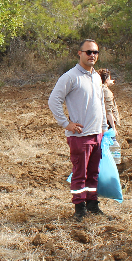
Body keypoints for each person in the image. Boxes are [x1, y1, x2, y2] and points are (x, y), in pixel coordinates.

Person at [49, 39, 106, 222]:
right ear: (79, 53)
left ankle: (92, 204)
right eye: (88, 52)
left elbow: (101, 103)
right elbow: (53, 101)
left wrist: (104, 128)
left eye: (95, 52)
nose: (92, 55)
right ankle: (79, 208)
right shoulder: (70, 77)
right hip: (80, 136)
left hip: (97, 134)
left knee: (94, 172)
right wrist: (66, 124)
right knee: (80, 173)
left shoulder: (96, 76)